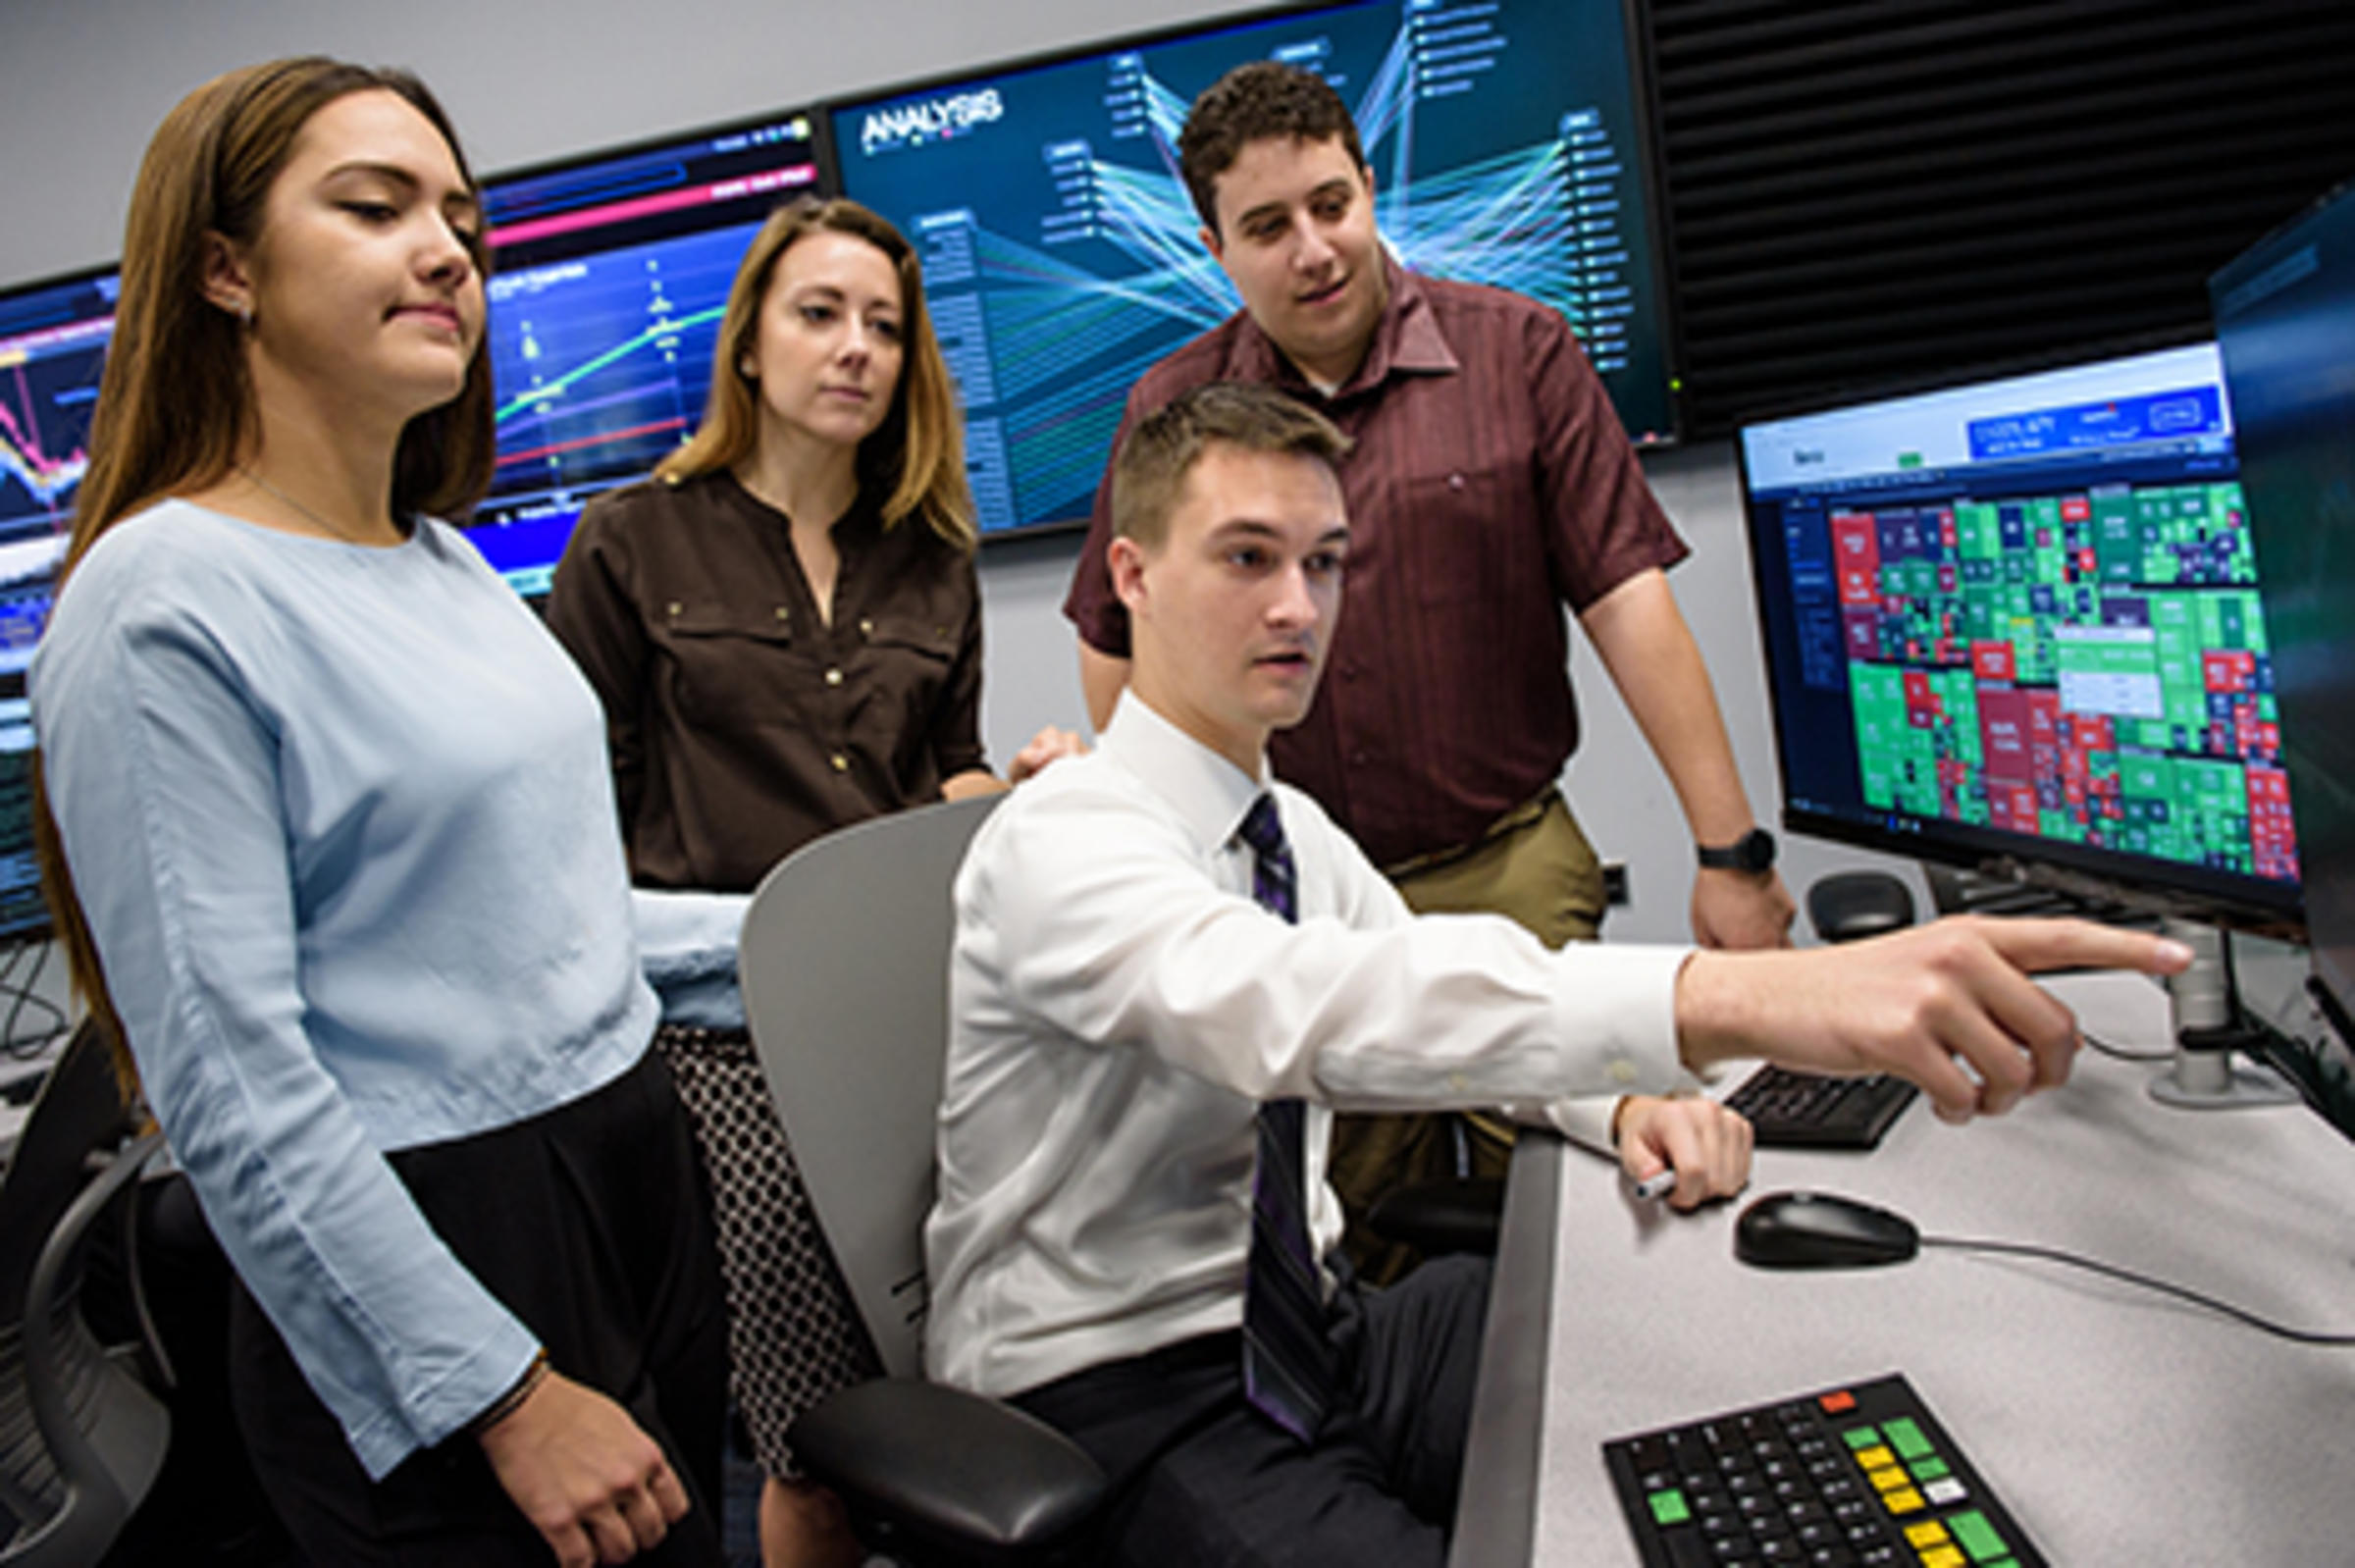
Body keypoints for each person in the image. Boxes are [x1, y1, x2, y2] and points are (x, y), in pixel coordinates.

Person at [930, 380, 2190, 1566]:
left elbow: (1448, 983)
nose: (1301, 608)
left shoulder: (1290, 832)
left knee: (1701, 1360)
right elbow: (1309, 1012)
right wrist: (1754, 994)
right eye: (1250, 557)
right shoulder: (1064, 838)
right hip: (1121, 1394)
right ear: (1134, 576)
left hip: (1321, 1331)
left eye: (1326, 563)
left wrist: (1626, 1100)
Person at [32, 58, 725, 1567]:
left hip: (622, 1166)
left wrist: (868, 921)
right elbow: (228, 1081)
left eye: (462, 221)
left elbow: (548, 919)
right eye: (375, 206)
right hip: (441, 1236)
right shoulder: (161, 602)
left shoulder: (444, 562)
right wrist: (499, 1389)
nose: (447, 252)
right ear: (225, 271)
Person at [1059, 61, 1798, 1269]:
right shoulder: (1178, 407)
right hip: (1299, 910)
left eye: (1333, 204)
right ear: (1214, 248)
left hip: (1505, 863)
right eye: (1267, 227)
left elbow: (1630, 606)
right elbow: (1119, 647)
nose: (1313, 249)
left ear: (1366, 187)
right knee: (1339, 1240)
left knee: (1587, 1205)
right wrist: (1183, 869)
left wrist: (1731, 854)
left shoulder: (1518, 352)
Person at [545, 195, 1079, 1568]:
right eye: (820, 313)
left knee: (963, 1384)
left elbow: (939, 777)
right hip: (731, 1057)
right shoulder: (627, 543)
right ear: (749, 345)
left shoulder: (933, 555)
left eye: (885, 326)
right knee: (815, 1434)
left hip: (912, 1026)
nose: (855, 348)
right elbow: (576, 834)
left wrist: (1024, 792)